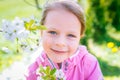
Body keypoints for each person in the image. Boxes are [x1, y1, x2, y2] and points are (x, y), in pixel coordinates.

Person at [26, 0, 104, 80]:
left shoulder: (89, 64)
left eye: (71, 35)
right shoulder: (33, 68)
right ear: (41, 32)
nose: (60, 43)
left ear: (79, 37)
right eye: (52, 32)